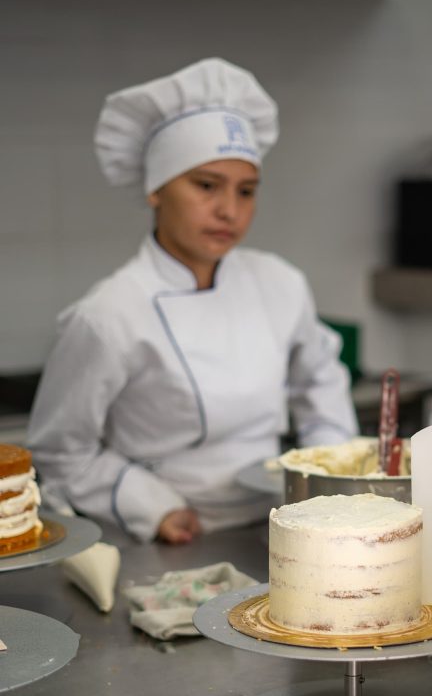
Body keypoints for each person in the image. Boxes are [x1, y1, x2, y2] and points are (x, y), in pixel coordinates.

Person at [28, 58, 357, 545]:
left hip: (285, 524)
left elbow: (322, 386)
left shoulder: (280, 283)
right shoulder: (109, 314)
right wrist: (148, 504)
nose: (229, 210)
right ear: (156, 190)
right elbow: (60, 451)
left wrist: (331, 488)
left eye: (246, 191)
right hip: (166, 536)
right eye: (206, 185)